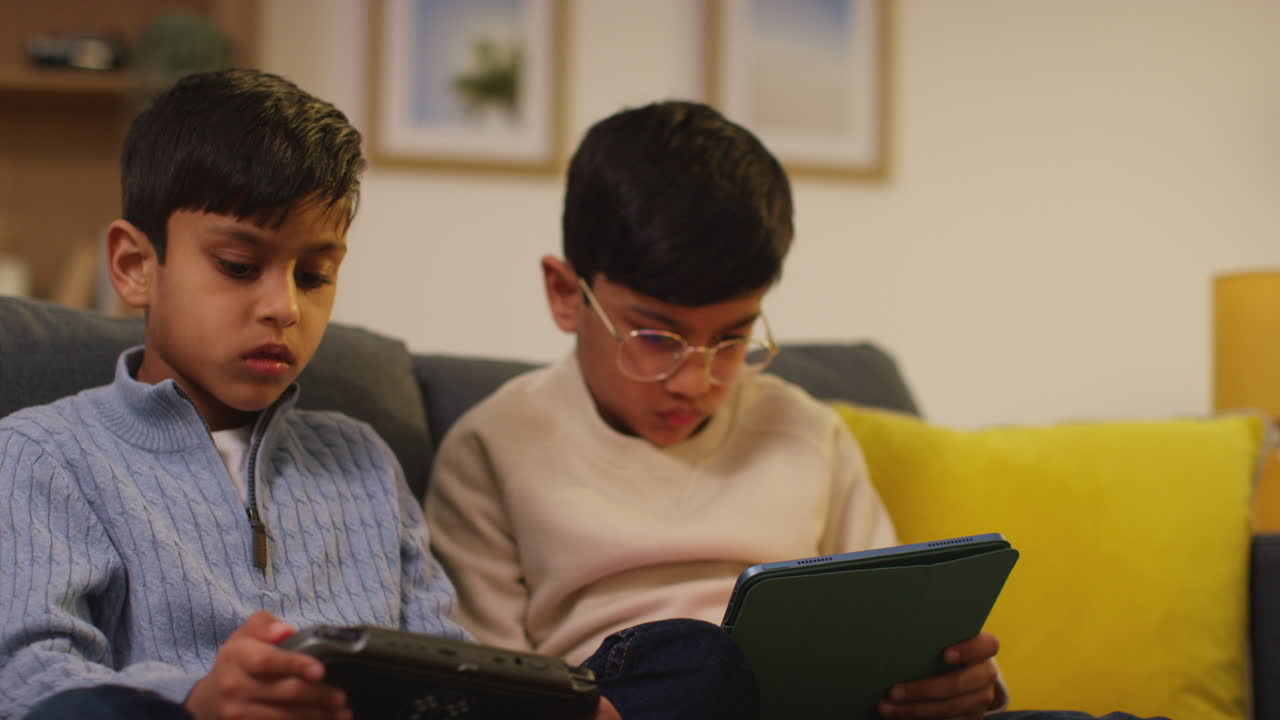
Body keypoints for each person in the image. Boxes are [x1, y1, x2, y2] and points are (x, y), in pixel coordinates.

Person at [425, 101, 1169, 720]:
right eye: (656, 336)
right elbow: (492, 688)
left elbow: (890, 620)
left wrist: (951, 684)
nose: (696, 379)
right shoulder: (494, 444)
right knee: (698, 658)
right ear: (565, 293)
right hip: (639, 698)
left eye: (733, 337)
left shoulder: (808, 431)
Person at [0, 69, 670, 720]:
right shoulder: (45, 454)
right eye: (239, 266)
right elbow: (31, 680)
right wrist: (197, 701)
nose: (284, 307)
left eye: (315, 275)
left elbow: (444, 657)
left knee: (683, 657)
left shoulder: (362, 461)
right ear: (135, 266)